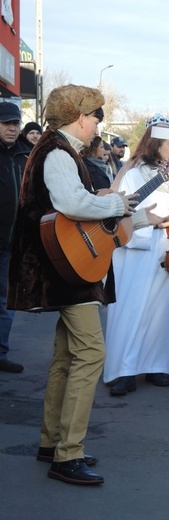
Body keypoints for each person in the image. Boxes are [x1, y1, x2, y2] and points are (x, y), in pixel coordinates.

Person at [7, 84, 167, 485]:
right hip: (65, 269)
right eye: (96, 117)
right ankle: (67, 454)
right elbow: (74, 205)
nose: (98, 124)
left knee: (65, 356)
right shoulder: (59, 154)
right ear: (80, 117)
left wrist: (144, 217)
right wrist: (116, 203)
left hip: (62, 265)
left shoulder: (56, 151)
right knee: (91, 354)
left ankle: (53, 442)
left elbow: (89, 218)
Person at [104, 120, 169, 395]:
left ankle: (158, 364)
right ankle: (126, 370)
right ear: (156, 145)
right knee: (134, 312)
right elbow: (121, 212)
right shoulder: (133, 174)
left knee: (165, 313)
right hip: (140, 254)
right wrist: (154, 221)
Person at [0, 102, 32, 373]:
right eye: (6, 123)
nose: (12, 128)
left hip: (13, 243)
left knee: (5, 301)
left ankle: (0, 353)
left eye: (15, 123)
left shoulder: (27, 156)